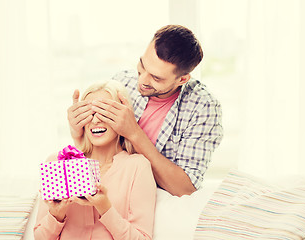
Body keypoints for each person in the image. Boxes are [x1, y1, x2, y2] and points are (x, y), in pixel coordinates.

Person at [68, 25, 223, 197]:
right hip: (108, 193)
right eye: (142, 66)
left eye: (156, 77)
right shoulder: (123, 82)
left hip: (151, 201)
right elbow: (95, 155)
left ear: (182, 79)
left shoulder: (203, 107)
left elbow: (185, 189)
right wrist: (77, 133)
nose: (141, 80)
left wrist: (134, 133)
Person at [34, 80, 157, 240]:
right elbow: (39, 237)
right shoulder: (59, 163)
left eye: (104, 113)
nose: (95, 120)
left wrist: (105, 207)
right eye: (88, 113)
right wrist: (56, 215)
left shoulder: (137, 166)